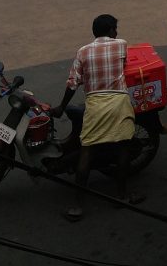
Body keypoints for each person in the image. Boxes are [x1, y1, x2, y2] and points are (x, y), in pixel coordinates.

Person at [50, 14, 144, 221]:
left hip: (95, 104)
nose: (117, 32)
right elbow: (125, 66)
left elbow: (73, 83)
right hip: (119, 102)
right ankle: (121, 196)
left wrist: (60, 107)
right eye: (115, 29)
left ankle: (77, 205)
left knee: (87, 151)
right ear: (111, 30)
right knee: (123, 147)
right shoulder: (121, 45)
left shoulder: (83, 51)